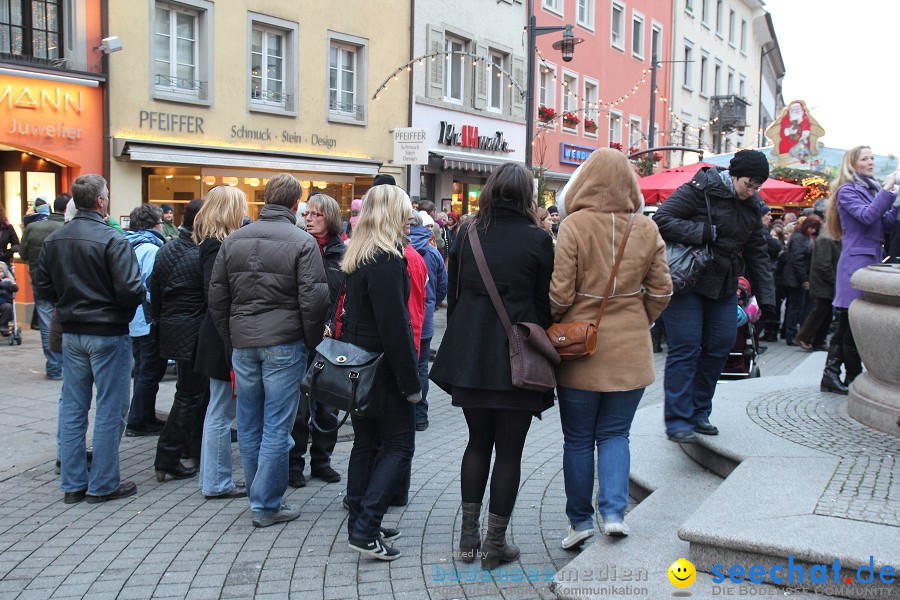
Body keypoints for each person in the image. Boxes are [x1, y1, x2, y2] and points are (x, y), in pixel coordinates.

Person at [430, 163, 555, 570]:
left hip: (471, 355)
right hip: (517, 359)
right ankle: (494, 545)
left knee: (476, 443)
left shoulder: (466, 233)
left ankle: (468, 540)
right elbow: (544, 305)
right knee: (510, 452)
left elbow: (455, 290)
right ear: (526, 195)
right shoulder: (539, 239)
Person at [550, 148, 672, 547]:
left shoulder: (574, 225)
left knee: (579, 439)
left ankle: (580, 521)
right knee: (617, 434)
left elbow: (559, 293)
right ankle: (615, 512)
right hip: (631, 347)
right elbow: (662, 290)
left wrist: (561, 319)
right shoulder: (647, 228)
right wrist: (641, 318)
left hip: (581, 349)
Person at [208, 174, 329, 528]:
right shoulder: (302, 241)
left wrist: (232, 336)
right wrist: (309, 341)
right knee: (276, 424)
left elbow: (217, 298)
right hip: (284, 343)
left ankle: (260, 497)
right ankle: (265, 504)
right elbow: (314, 299)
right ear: (296, 205)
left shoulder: (234, 240)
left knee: (248, 421)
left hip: (245, 342)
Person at [34, 174, 145, 504]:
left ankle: (73, 484)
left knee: (73, 407)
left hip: (73, 331)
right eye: (106, 195)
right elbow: (131, 290)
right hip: (108, 332)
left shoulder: (55, 239)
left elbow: (43, 289)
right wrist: (119, 309)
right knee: (111, 409)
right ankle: (103, 484)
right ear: (100, 202)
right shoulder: (112, 239)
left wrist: (68, 306)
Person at [653, 150, 775, 444]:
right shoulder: (700, 189)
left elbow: (758, 254)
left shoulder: (752, 207)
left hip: (723, 284)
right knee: (686, 348)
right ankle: (679, 420)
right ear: (733, 175)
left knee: (720, 346)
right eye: (748, 183)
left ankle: (698, 412)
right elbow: (661, 219)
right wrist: (705, 232)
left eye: (758, 186)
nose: (752, 191)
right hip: (687, 282)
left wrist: (768, 299)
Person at [341, 184, 422, 561]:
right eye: (405, 212)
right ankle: (367, 527)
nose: (409, 218)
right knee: (400, 445)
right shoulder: (387, 259)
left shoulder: (358, 255)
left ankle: (359, 519)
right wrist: (411, 383)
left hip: (359, 366)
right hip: (382, 369)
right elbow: (396, 328)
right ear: (392, 214)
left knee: (366, 444)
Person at [820, 146, 898, 392]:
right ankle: (839, 375)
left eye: (872, 157)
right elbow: (866, 216)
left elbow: (883, 222)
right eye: (865, 159)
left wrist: (895, 203)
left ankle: (844, 376)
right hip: (856, 264)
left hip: (869, 261)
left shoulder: (870, 188)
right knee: (848, 325)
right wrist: (887, 191)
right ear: (852, 164)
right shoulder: (847, 191)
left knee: (853, 326)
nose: (871, 162)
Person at [192, 186, 248, 501]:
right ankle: (216, 482)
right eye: (239, 207)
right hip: (220, 336)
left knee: (219, 409)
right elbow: (218, 297)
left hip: (218, 334)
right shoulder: (216, 246)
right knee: (220, 411)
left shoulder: (213, 244)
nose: (243, 213)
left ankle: (215, 480)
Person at [288, 193, 346, 488]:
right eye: (306, 213)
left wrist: (334, 325)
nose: (308, 218)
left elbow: (347, 297)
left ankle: (322, 461)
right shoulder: (297, 246)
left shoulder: (343, 253)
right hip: (299, 337)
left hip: (331, 342)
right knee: (298, 408)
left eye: (315, 214)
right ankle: (294, 463)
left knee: (328, 407)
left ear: (330, 218)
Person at [151, 199, 206, 481]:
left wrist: (160, 322)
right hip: (193, 330)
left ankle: (188, 449)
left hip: (172, 328)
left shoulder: (167, 247)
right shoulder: (201, 253)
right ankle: (169, 455)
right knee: (190, 395)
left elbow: (155, 290)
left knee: (189, 393)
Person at [123, 204, 168, 437]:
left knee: (142, 368)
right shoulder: (150, 248)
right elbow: (152, 287)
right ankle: (139, 420)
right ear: (153, 224)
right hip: (147, 319)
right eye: (160, 222)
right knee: (149, 371)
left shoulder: (126, 243)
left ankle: (144, 415)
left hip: (133, 318)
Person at [19, 194, 67, 379]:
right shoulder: (67, 227)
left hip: (40, 280)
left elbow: (23, 254)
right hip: (65, 281)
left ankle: (54, 367)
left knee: (47, 323)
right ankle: (69, 365)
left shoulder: (32, 227)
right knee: (67, 320)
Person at [408, 211, 448, 431]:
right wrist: (431, 304)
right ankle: (420, 416)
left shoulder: (398, 248)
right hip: (424, 320)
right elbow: (443, 285)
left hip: (403, 320)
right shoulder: (432, 252)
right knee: (421, 368)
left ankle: (402, 413)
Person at [795, 217, 841, 354]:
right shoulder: (826, 239)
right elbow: (823, 264)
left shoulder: (830, 238)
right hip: (822, 283)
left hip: (825, 282)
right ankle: (803, 337)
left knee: (825, 313)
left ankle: (818, 341)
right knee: (819, 311)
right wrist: (834, 281)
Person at [782, 215, 821, 346]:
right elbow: (797, 260)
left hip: (797, 276)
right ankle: (791, 334)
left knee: (795, 306)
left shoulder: (803, 237)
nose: (813, 231)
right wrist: (804, 279)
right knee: (794, 306)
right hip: (795, 278)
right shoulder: (800, 238)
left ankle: (790, 333)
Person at [0, 260, 17, 334]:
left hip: (4, 302)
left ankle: (3, 325)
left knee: (8, 307)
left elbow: (15, 289)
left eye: (1, 272)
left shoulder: (7, 282)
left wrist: (11, 285)